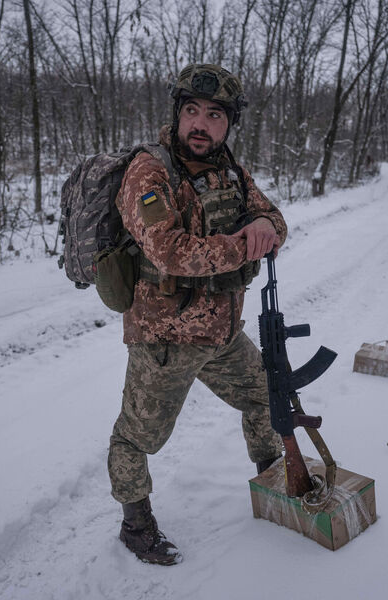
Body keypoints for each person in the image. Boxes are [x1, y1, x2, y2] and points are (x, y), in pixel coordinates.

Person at [108, 63, 287, 566]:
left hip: (224, 335)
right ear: (177, 114)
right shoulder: (149, 171)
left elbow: (275, 218)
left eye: (213, 114)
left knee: (264, 396)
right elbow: (168, 250)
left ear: (229, 123)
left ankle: (273, 475)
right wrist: (242, 245)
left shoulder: (229, 168)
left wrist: (263, 226)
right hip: (165, 341)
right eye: (191, 111)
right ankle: (135, 522)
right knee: (138, 437)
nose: (201, 124)